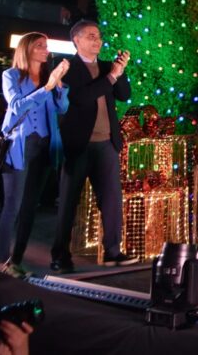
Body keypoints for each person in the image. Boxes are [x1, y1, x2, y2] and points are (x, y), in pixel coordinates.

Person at [50, 20, 137, 272]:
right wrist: (111, 76)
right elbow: (81, 98)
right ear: (76, 40)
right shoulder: (68, 67)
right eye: (91, 36)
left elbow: (124, 95)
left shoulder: (108, 66)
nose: (97, 41)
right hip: (78, 145)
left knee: (111, 199)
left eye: (99, 36)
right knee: (68, 202)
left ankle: (113, 251)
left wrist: (120, 71)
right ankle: (60, 255)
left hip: (106, 145)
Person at [0, 34, 70, 277]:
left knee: (30, 207)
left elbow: (62, 108)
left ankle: (16, 261)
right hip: (20, 146)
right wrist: (47, 87)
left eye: (46, 46)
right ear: (26, 49)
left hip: (45, 145)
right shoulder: (11, 76)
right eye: (40, 46)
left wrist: (59, 88)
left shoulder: (50, 76)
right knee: (12, 206)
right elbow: (16, 106)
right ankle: (3, 262)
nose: (45, 50)